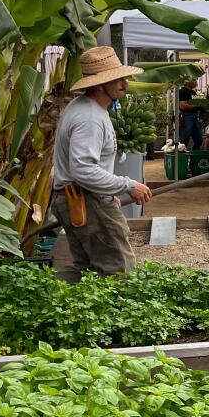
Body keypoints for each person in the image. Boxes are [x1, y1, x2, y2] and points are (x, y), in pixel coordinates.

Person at [51, 46, 151, 281]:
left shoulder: (85, 109)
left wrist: (109, 191)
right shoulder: (90, 118)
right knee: (117, 270)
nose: (124, 84)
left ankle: (45, 302)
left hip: (79, 197)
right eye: (117, 79)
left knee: (86, 271)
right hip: (85, 199)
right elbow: (83, 169)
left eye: (123, 77)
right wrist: (127, 185)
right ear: (98, 84)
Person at [177, 81, 203, 150]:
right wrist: (197, 106)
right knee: (184, 139)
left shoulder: (193, 92)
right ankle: (182, 157)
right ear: (188, 81)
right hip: (186, 116)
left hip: (194, 116)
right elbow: (183, 106)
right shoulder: (182, 92)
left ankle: (193, 156)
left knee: (198, 139)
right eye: (194, 80)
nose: (196, 82)